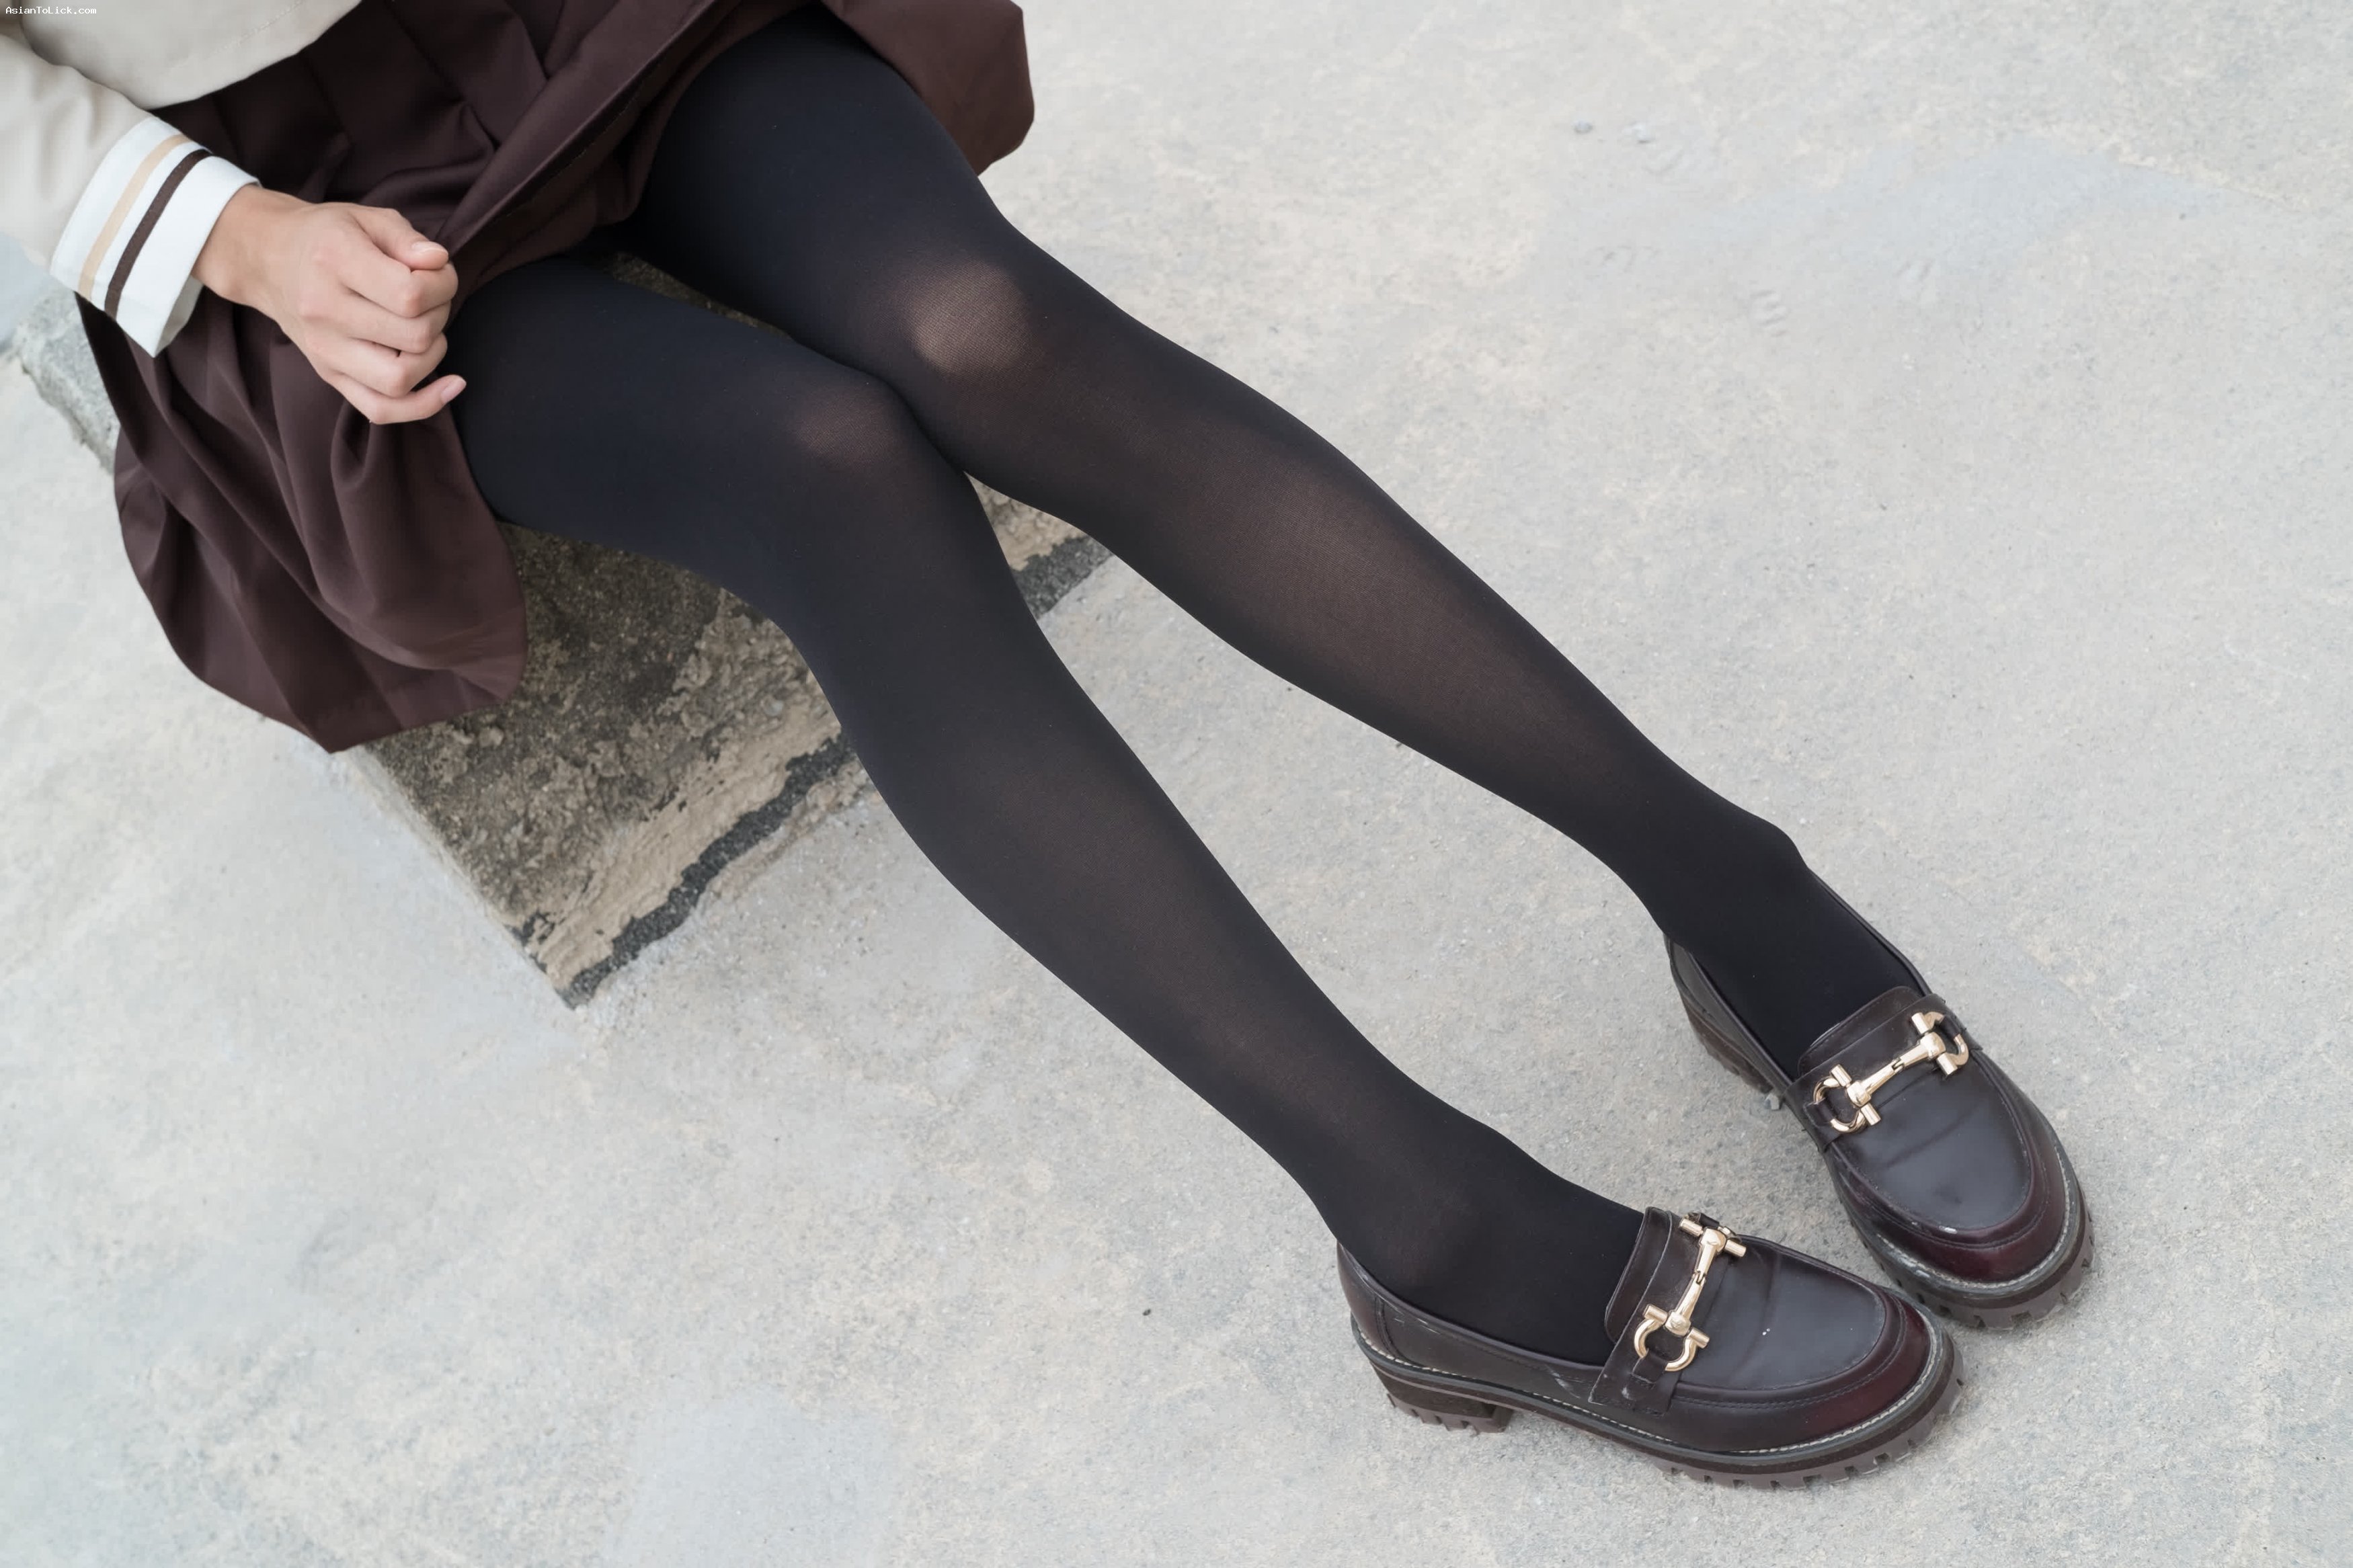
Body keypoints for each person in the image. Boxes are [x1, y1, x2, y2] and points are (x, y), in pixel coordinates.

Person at [3, 0, 2088, 1483]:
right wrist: (237, 245)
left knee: (981, 326)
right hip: (270, 187)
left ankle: (1743, 902)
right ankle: (1434, 1230)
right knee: (817, 463)